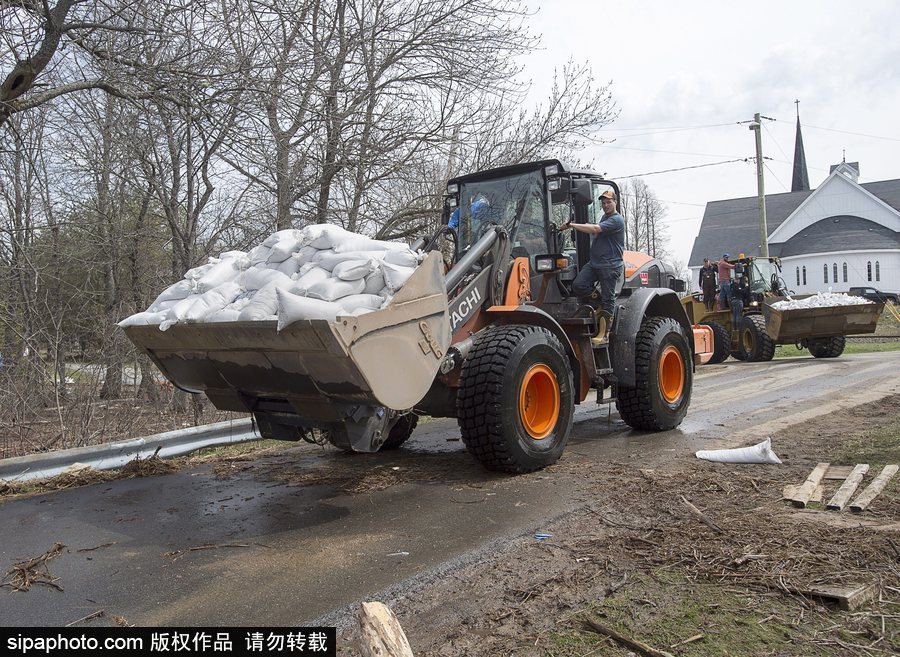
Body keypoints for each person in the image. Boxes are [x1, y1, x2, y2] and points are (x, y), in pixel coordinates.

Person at [562, 189, 625, 318]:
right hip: (595, 263)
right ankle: (599, 303)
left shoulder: (617, 219)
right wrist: (586, 226)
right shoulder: (605, 217)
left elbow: (596, 229)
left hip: (609, 265)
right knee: (579, 285)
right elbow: (596, 230)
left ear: (616, 202)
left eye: (609, 202)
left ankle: (605, 325)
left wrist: (572, 225)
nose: (605, 205)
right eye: (603, 203)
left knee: (608, 300)